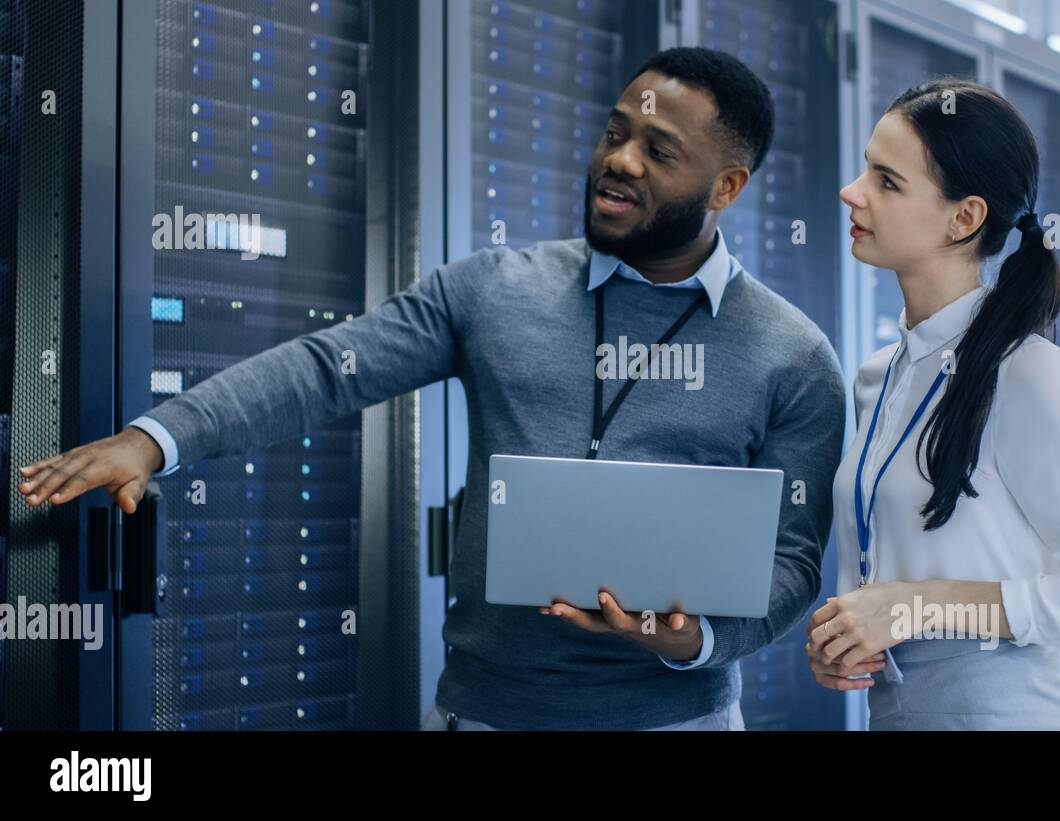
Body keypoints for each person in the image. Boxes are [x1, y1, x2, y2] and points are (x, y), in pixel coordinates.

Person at [17, 47, 846, 731]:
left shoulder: (794, 356)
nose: (619, 161)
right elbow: (326, 368)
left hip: (677, 720)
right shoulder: (494, 289)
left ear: (727, 188)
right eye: (614, 132)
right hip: (483, 713)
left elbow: (795, 559)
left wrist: (695, 638)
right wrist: (157, 438)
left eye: (658, 152)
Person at [806, 79, 1060, 730]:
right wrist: (856, 637)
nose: (852, 192)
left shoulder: (1028, 375)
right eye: (865, 170)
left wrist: (922, 605)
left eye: (886, 181)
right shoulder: (877, 377)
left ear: (964, 217)